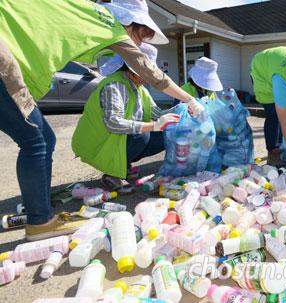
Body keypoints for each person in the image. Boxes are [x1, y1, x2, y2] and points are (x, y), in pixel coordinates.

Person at [0, 0, 203, 241]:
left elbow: (154, 106)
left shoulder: (89, 13)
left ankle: (38, 207)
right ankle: (40, 220)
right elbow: (151, 74)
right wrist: (190, 100)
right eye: (142, 36)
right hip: (6, 59)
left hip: (11, 52)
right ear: (131, 23)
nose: (140, 43)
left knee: (44, 138)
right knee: (35, 143)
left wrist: (175, 117)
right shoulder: (111, 29)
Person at [72, 44, 181, 190]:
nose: (148, 78)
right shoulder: (114, 85)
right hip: (100, 143)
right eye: (145, 72)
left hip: (116, 140)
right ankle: (112, 174)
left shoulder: (139, 88)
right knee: (142, 136)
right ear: (131, 69)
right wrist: (154, 125)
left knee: (164, 136)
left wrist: (181, 109)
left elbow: (157, 113)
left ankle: (123, 165)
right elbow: (113, 123)